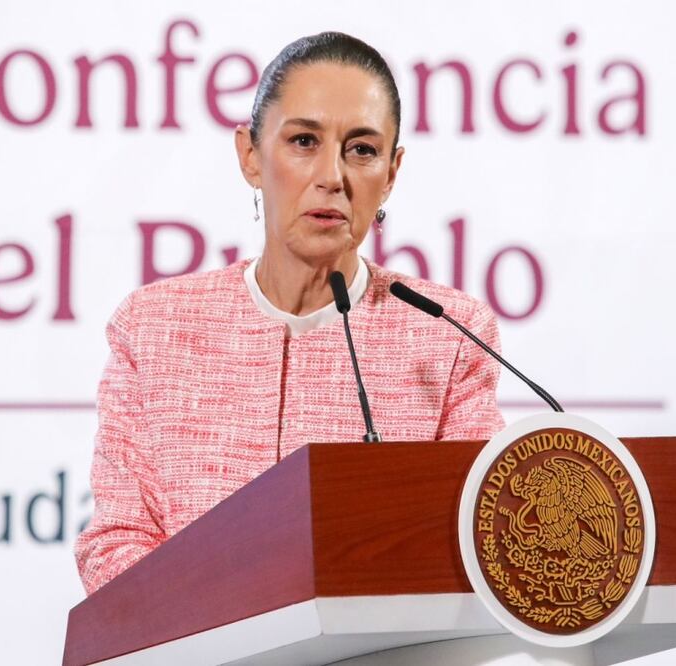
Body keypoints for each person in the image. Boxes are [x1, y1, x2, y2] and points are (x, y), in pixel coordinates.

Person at [75, 32, 505, 595]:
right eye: (304, 141)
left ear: (392, 173)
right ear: (250, 156)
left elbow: (478, 548)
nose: (332, 176)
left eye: (362, 149)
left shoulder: (447, 335)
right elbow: (114, 545)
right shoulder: (153, 328)